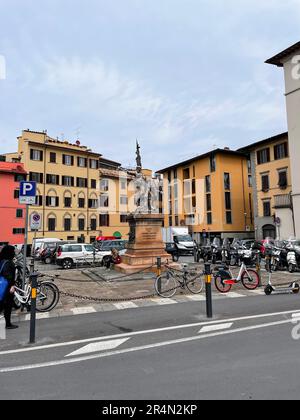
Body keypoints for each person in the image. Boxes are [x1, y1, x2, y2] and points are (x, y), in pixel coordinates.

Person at [0, 245, 18, 329]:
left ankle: (8, 323)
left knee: (3, 305)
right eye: (13, 251)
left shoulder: (1, 260)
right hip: (6, 288)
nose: (14, 253)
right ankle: (8, 324)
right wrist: (12, 286)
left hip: (2, 287)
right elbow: (8, 275)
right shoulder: (8, 262)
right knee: (7, 306)